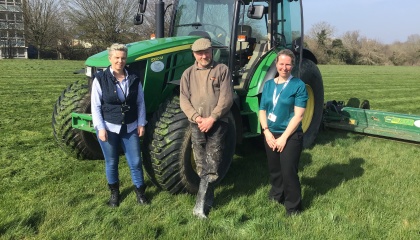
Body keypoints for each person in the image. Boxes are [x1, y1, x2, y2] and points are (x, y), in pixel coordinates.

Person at [180, 38, 234, 219]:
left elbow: (226, 99)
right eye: (199, 53)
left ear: (212, 51)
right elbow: (184, 100)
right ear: (194, 54)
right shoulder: (188, 74)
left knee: (213, 163)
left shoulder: (222, 70)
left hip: (217, 123)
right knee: (202, 164)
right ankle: (208, 200)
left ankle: (199, 207)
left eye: (207, 52)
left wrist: (212, 118)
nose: (204, 56)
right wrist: (197, 118)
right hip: (196, 124)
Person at [91, 43, 149, 207]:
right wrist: (100, 128)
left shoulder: (134, 77)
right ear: (110, 58)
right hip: (108, 127)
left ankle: (140, 193)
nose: (120, 61)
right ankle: (114, 194)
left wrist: (141, 123)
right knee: (111, 161)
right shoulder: (100, 79)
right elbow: (95, 106)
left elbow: (140, 103)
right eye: (116, 57)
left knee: (136, 162)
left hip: (130, 127)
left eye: (123, 58)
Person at [259, 49, 308, 216]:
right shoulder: (268, 85)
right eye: (281, 64)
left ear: (292, 65)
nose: (284, 67)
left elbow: (299, 115)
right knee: (275, 170)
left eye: (288, 64)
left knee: (288, 171)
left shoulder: (298, 85)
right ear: (276, 64)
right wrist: (266, 131)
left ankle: (293, 207)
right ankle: (276, 195)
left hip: (291, 135)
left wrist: (284, 138)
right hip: (270, 134)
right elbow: (262, 110)